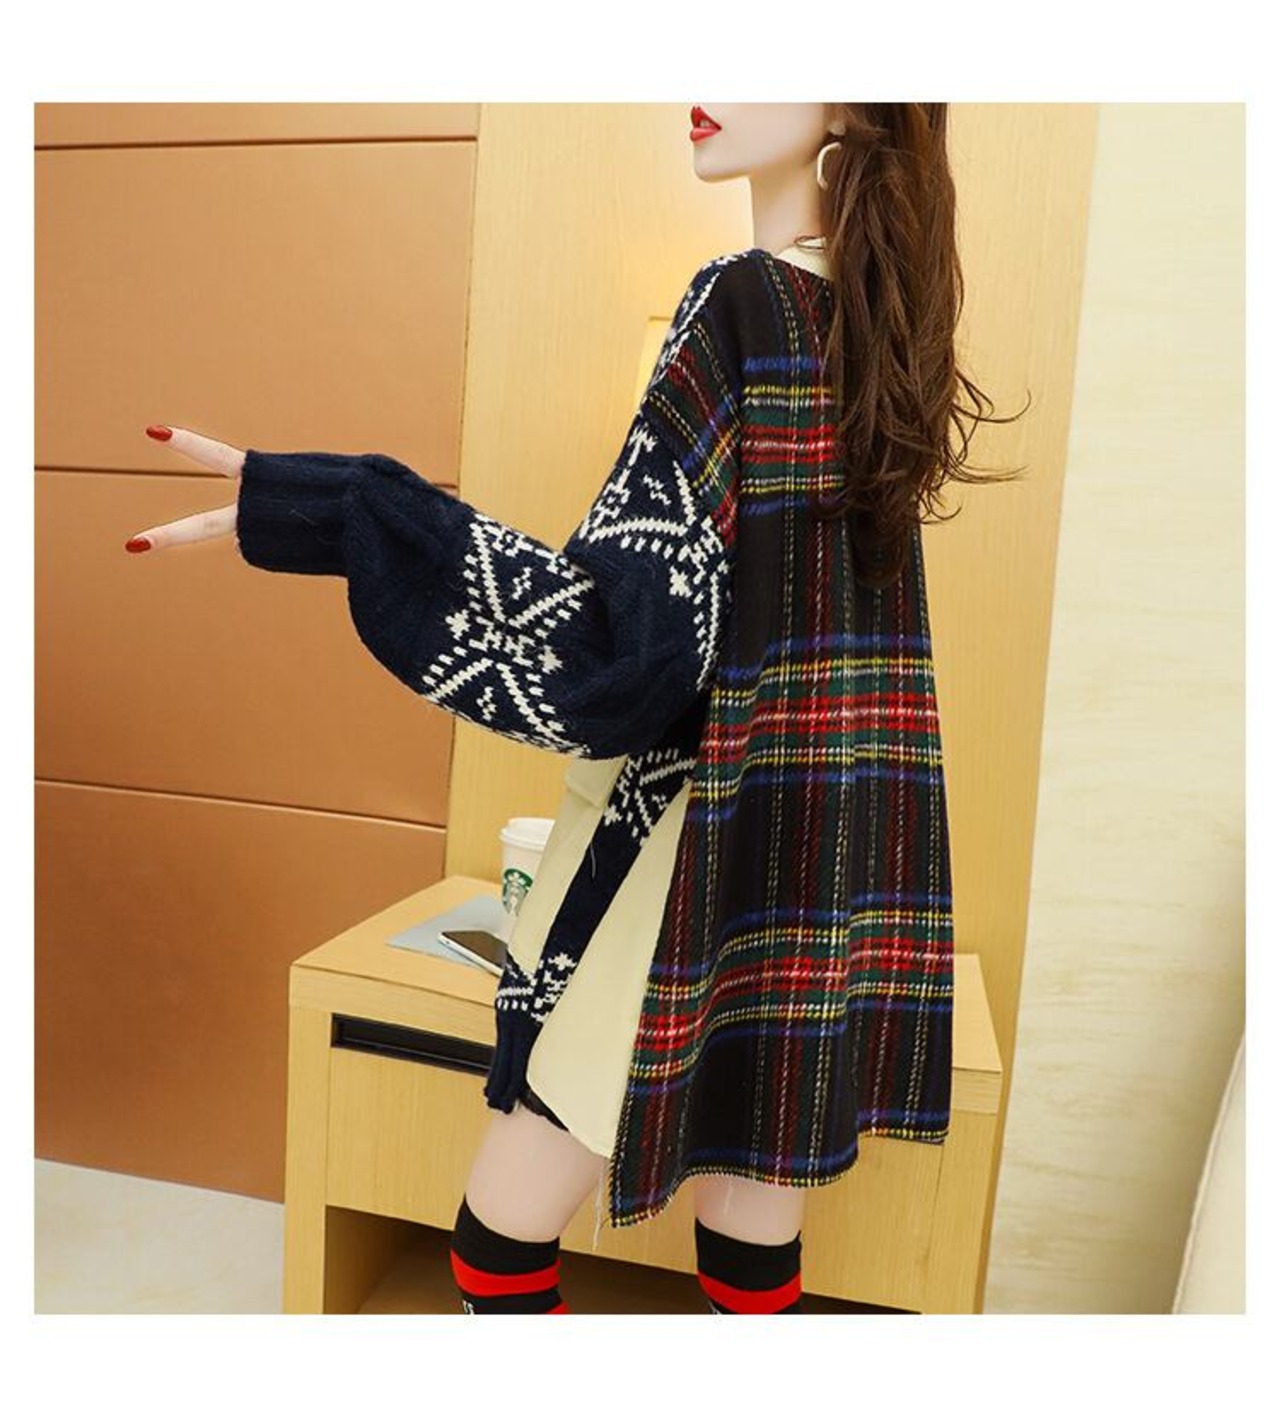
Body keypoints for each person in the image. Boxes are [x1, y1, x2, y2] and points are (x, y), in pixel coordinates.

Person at [124, 103, 1024, 1315]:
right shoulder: (881, 330)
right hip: (829, 856)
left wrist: (340, 510)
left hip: (687, 854)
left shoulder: (740, 303)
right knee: (751, 1240)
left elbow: (613, 647)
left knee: (497, 1244)